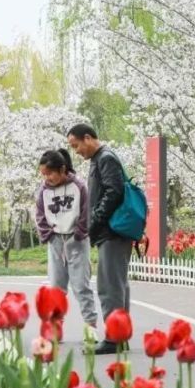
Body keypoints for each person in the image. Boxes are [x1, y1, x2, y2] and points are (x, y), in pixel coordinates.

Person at [67, 123, 132, 355]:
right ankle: (120, 336)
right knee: (117, 284)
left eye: (76, 145)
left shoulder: (105, 158)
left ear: (88, 138)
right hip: (112, 231)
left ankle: (114, 339)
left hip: (112, 231)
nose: (76, 151)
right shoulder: (101, 159)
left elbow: (114, 192)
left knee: (109, 286)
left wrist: (95, 221)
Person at [34, 148, 99, 330]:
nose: (46, 178)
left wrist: (79, 234)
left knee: (81, 286)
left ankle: (90, 326)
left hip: (76, 240)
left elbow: (86, 212)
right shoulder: (43, 191)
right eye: (43, 174)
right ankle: (55, 327)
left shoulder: (78, 187)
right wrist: (47, 235)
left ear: (62, 169)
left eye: (49, 173)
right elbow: (39, 215)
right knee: (56, 288)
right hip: (55, 240)